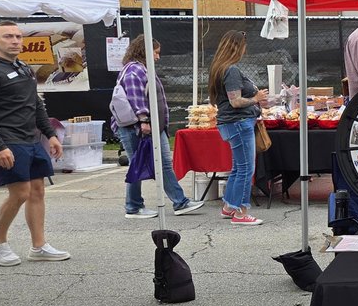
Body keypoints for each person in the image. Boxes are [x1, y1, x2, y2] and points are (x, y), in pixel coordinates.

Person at [0, 19, 70, 265]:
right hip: (7, 140)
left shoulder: (23, 67)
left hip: (31, 139)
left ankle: (39, 246)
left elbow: (35, 104)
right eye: (8, 36)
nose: (15, 41)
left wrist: (50, 134)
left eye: (17, 36)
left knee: (37, 191)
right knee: (20, 193)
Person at [112, 36, 204, 219]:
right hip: (139, 127)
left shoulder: (139, 69)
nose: (157, 57)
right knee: (140, 164)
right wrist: (144, 120)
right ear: (145, 51)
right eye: (155, 52)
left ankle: (177, 202)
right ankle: (135, 206)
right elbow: (136, 97)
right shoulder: (135, 71)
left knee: (156, 164)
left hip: (150, 126)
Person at [208, 30, 269, 226]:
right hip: (239, 123)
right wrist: (256, 99)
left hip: (230, 123)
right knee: (246, 169)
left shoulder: (219, 68)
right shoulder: (231, 70)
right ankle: (241, 213)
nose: (245, 49)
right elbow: (235, 101)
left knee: (238, 168)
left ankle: (229, 206)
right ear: (237, 47)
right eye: (243, 46)